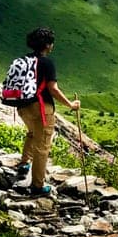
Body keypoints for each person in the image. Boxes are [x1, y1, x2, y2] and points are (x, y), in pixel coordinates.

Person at [16, 27, 80, 195]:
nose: (52, 45)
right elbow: (53, 89)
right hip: (41, 107)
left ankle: (23, 165)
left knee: (31, 133)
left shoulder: (24, 60)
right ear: (47, 45)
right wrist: (70, 105)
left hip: (22, 106)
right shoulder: (46, 62)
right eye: (51, 42)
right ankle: (37, 186)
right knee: (42, 146)